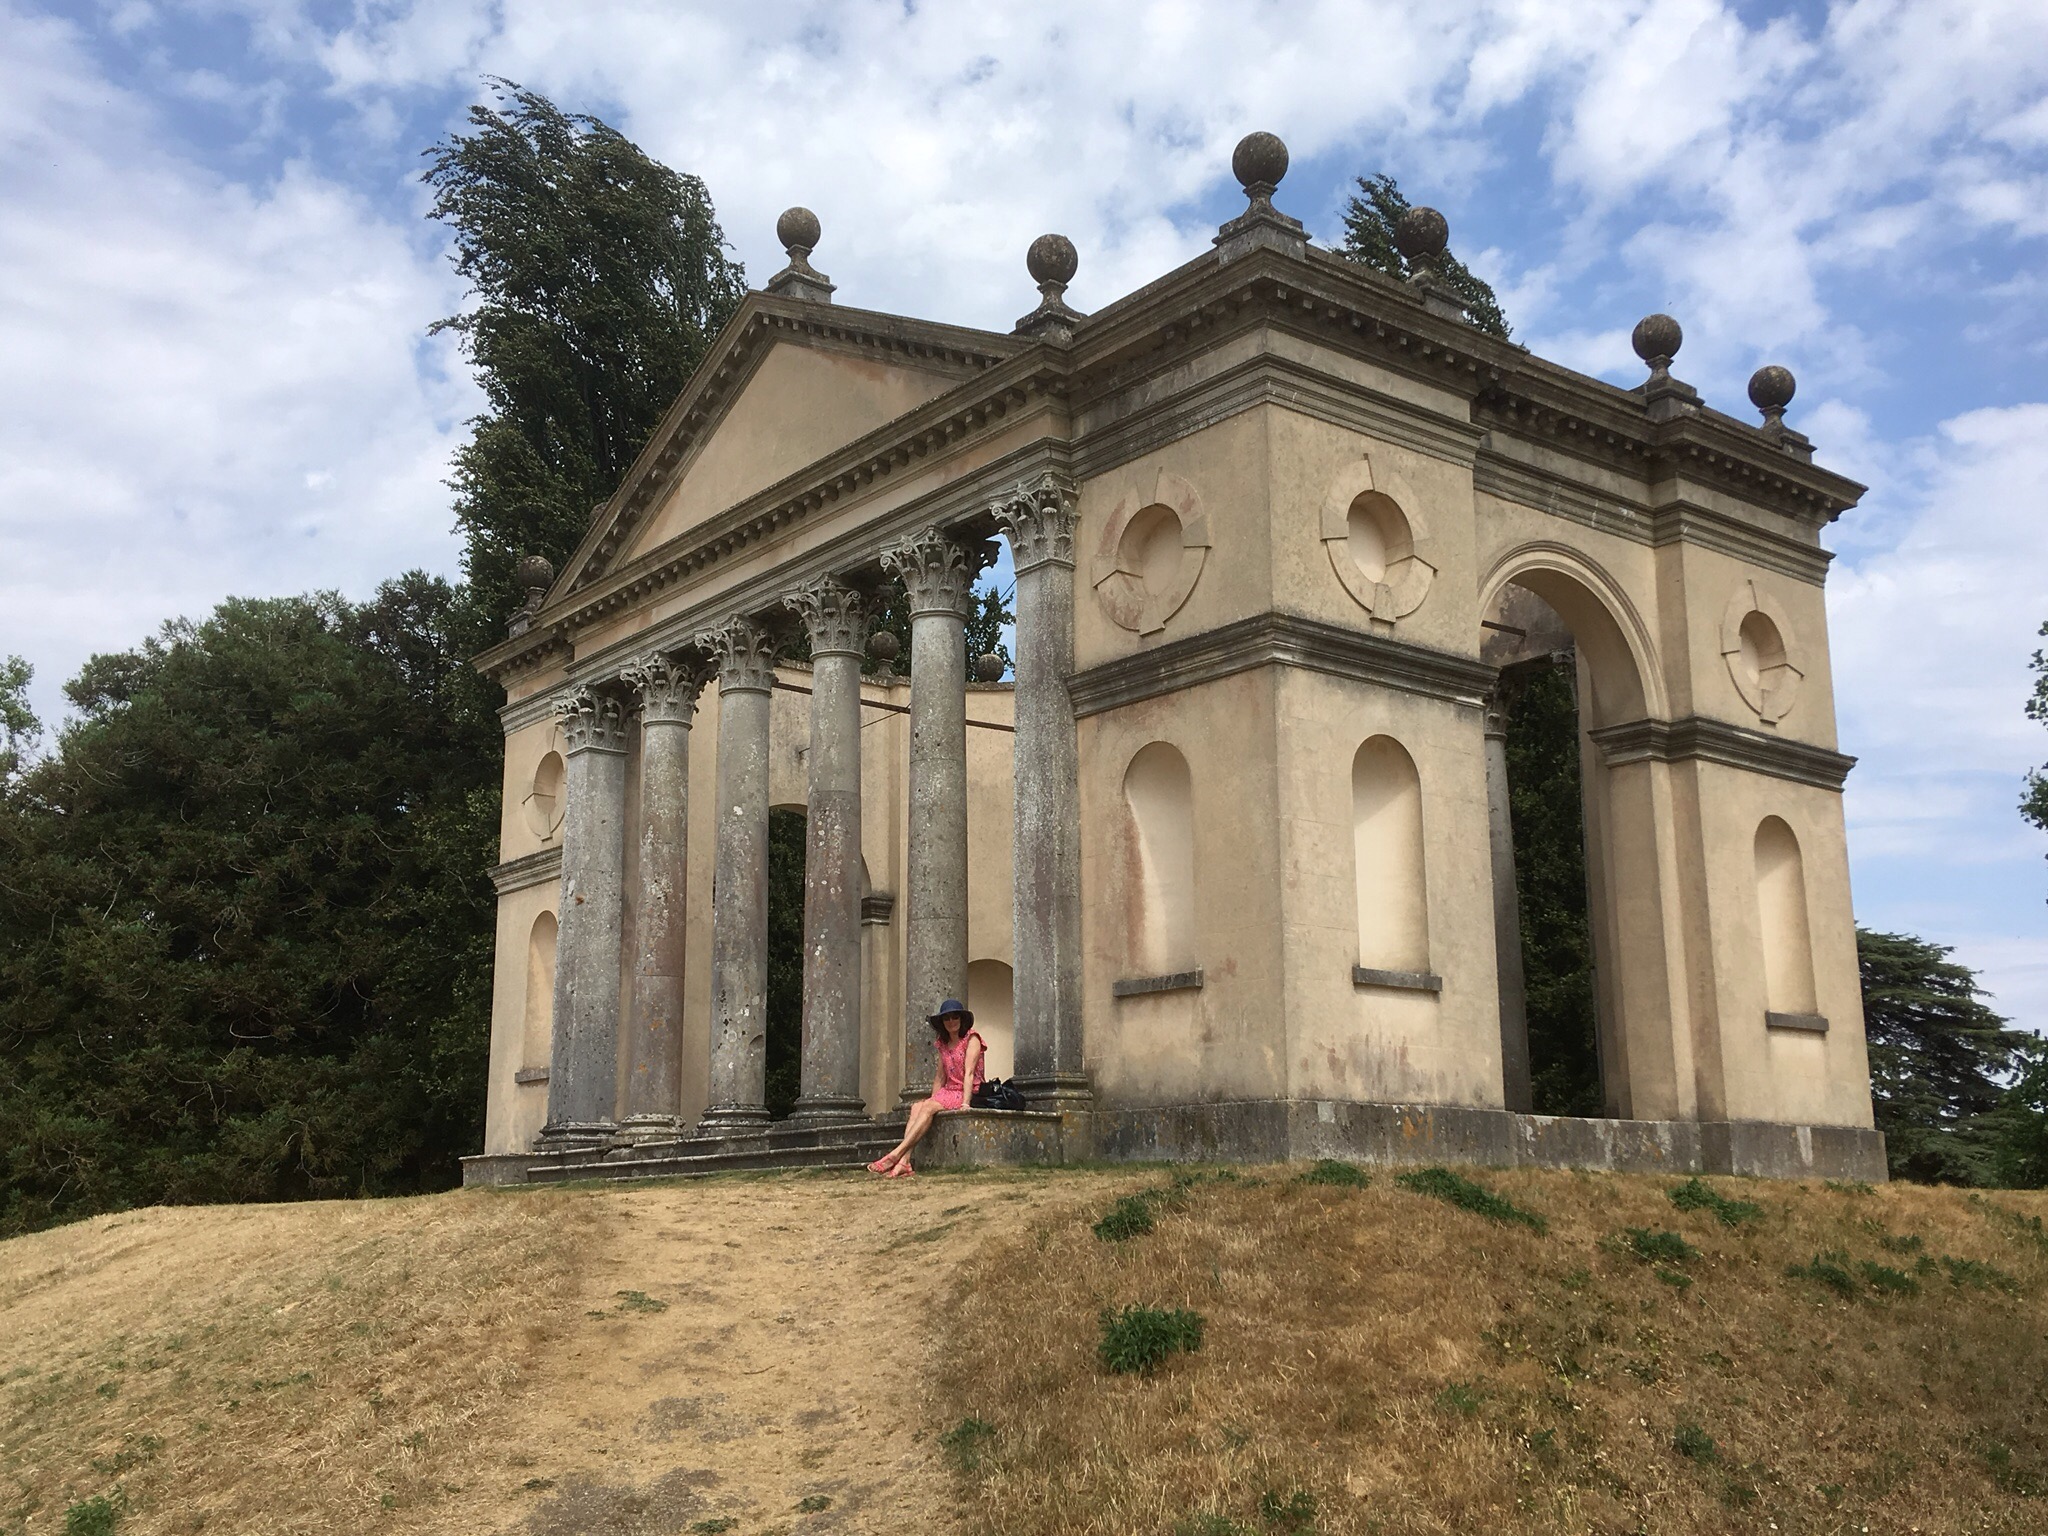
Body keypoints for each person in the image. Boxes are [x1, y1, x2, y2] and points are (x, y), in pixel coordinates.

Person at [870, 998, 984, 1179]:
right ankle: (905, 1162)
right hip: (949, 1090)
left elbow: (969, 1073)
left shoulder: (972, 1038)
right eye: (947, 1018)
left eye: (955, 1017)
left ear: (962, 1019)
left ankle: (896, 1154)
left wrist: (965, 1103)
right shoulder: (943, 1044)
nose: (951, 1021)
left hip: (968, 1090)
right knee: (917, 1107)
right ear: (942, 1022)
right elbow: (940, 1076)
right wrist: (932, 1100)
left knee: (928, 1107)